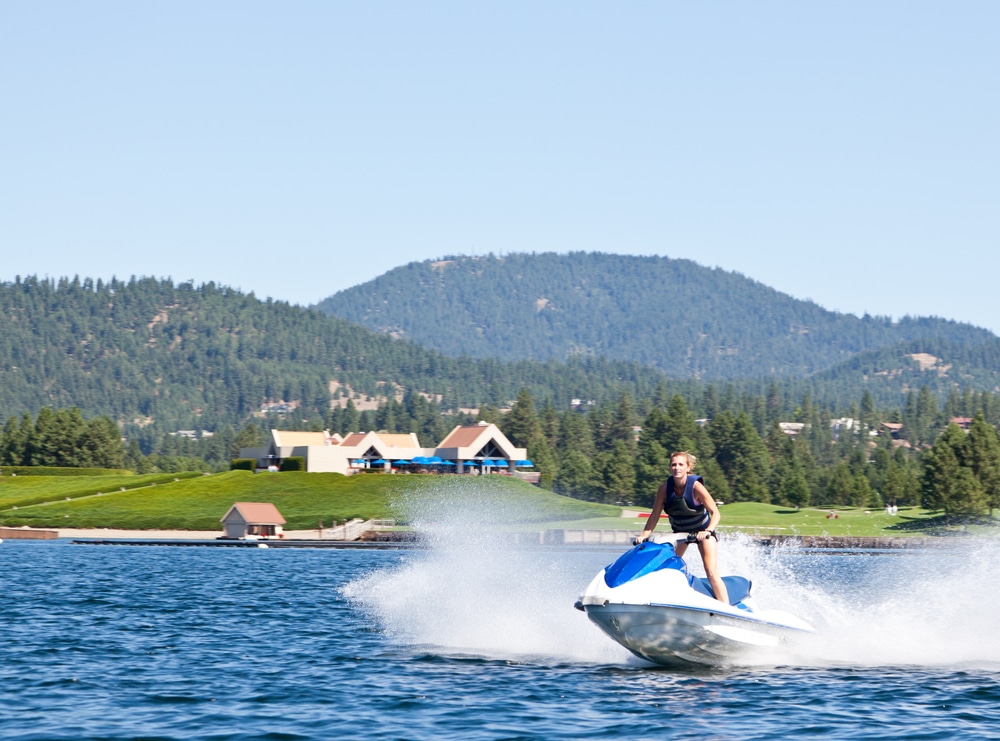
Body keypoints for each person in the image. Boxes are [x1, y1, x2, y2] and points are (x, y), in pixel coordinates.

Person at [634, 451, 729, 605]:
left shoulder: (696, 487)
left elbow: (715, 513)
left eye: (680, 464)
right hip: (680, 534)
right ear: (670, 468)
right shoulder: (664, 489)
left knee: (711, 570)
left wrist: (708, 531)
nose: (676, 468)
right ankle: (664, 601)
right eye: (673, 464)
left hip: (702, 533)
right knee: (666, 568)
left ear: (688, 468)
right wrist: (644, 534)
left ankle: (727, 608)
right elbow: (655, 515)